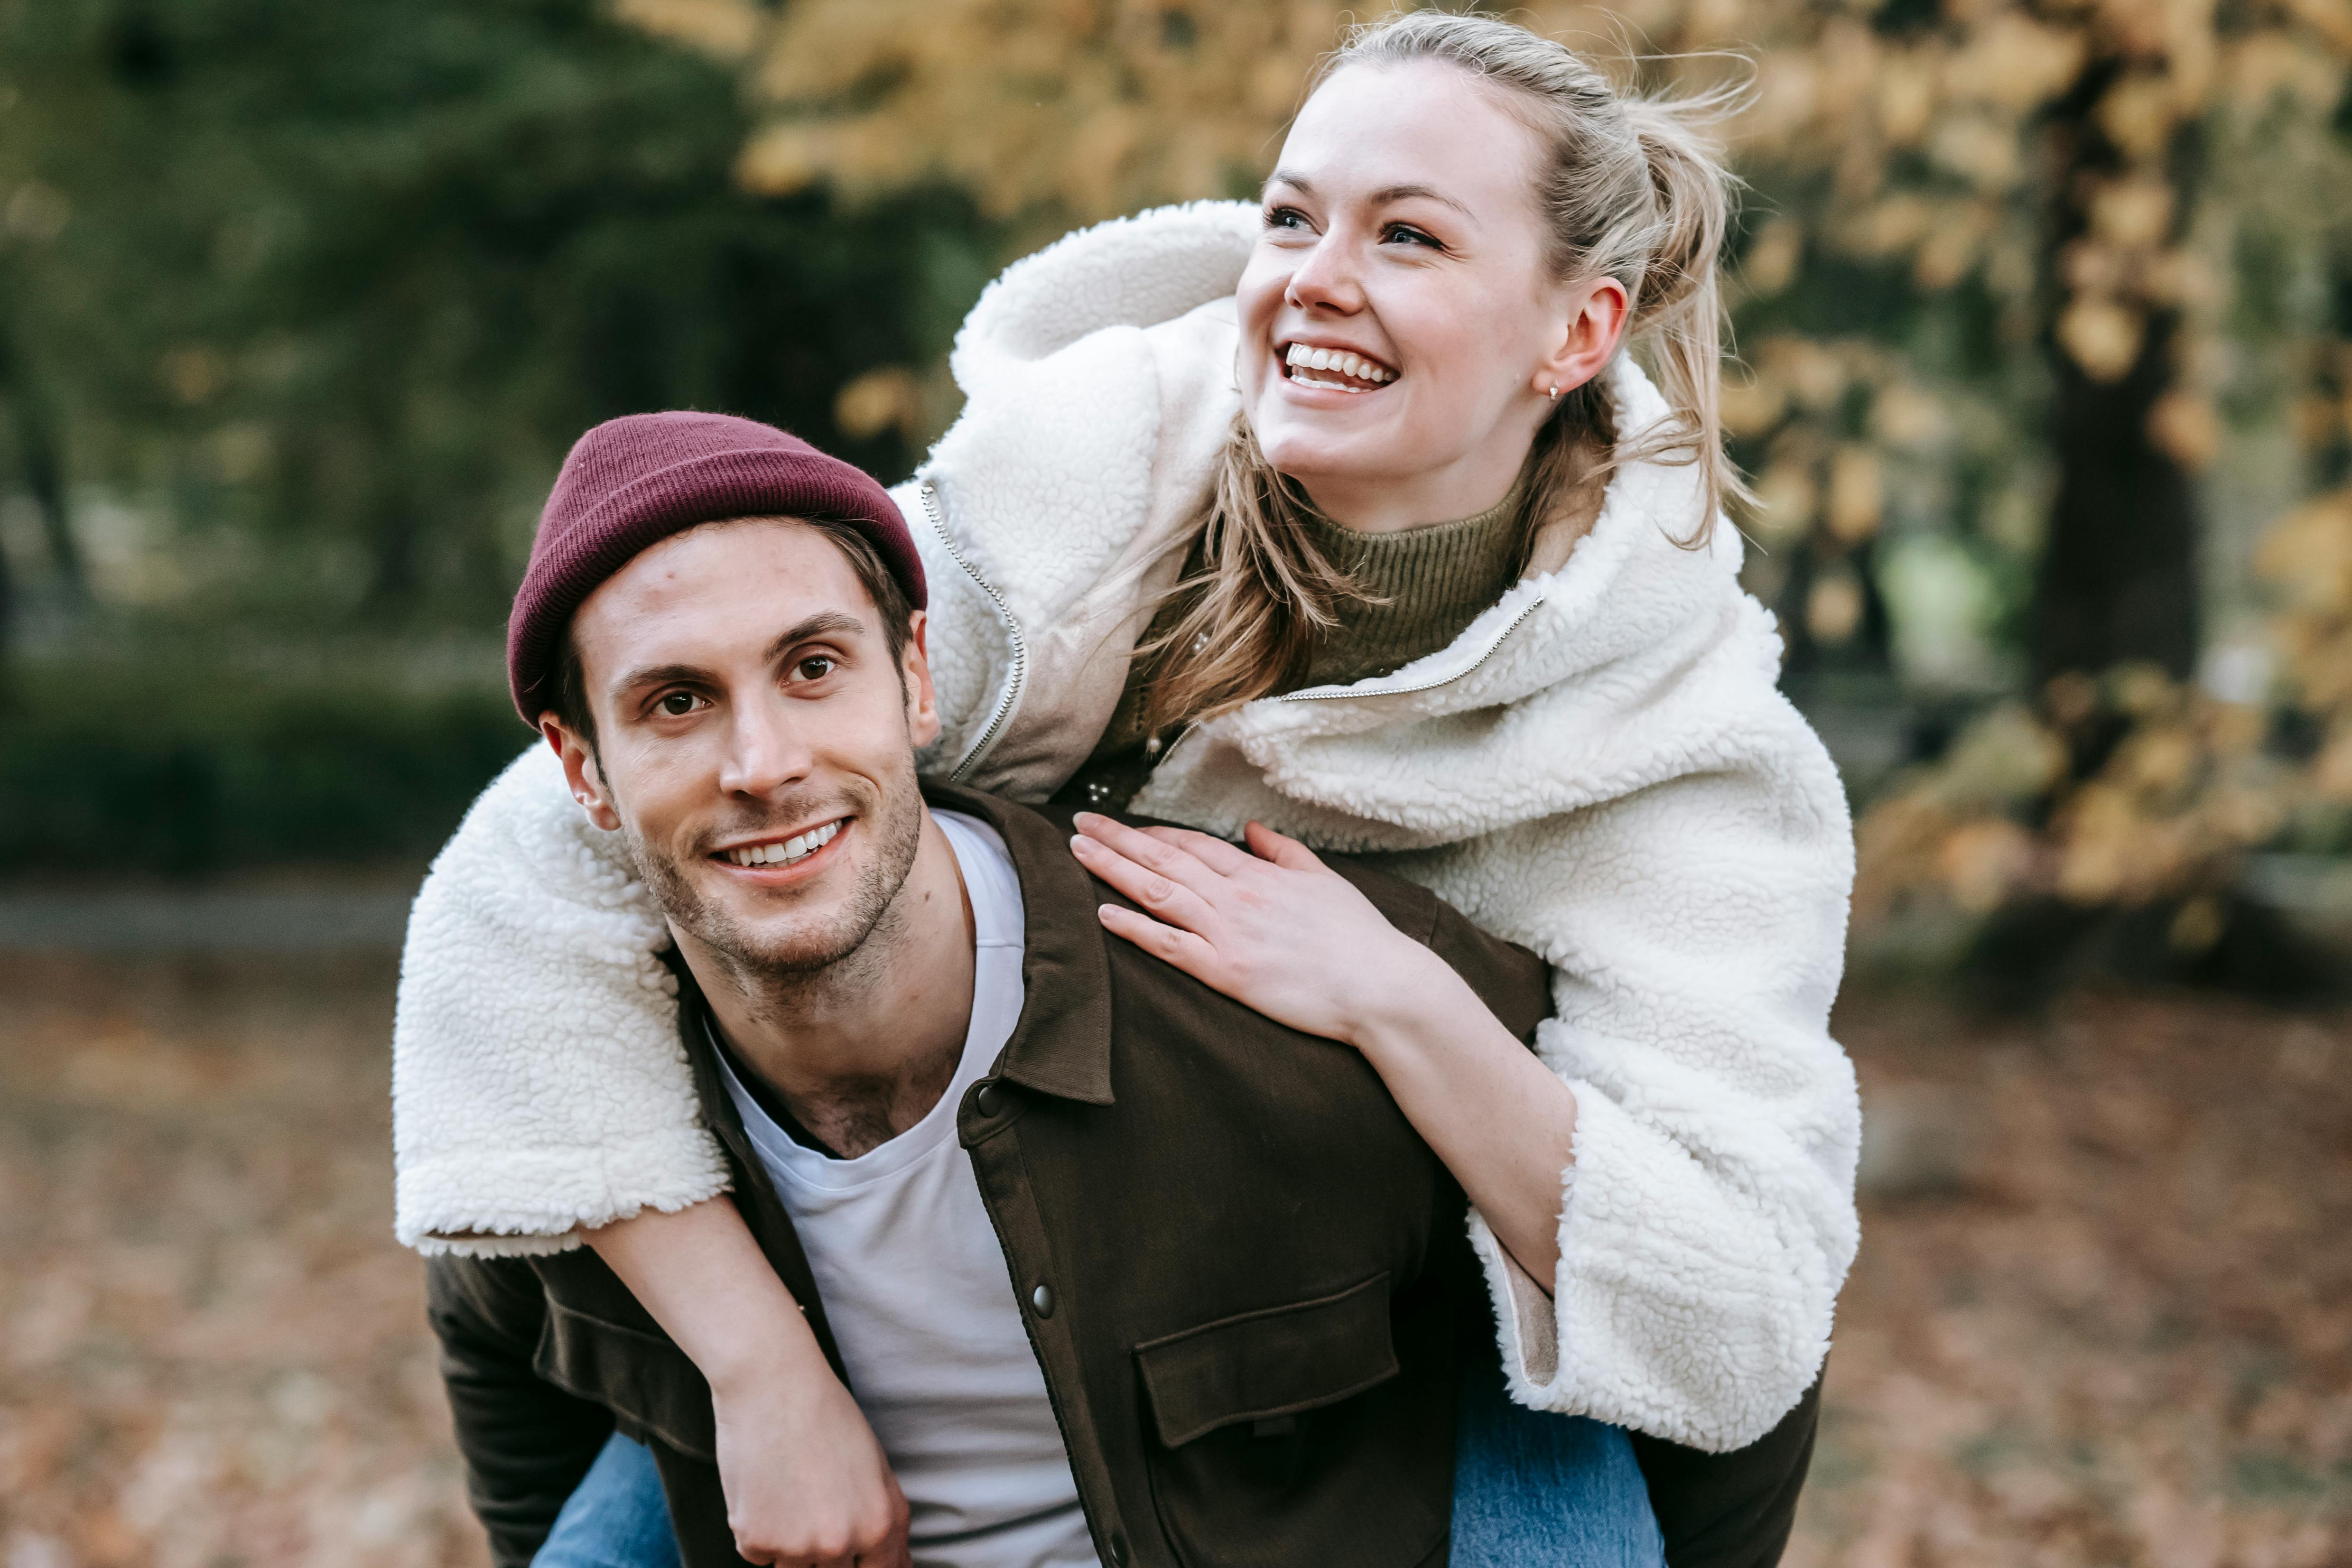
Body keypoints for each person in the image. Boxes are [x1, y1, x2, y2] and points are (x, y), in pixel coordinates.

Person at [395, 9, 1857, 1564]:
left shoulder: (1686, 755)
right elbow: (537, 864)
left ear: (1579, 331)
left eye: (1410, 235)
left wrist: (1399, 999)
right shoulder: (1080, 500)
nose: (1315, 278)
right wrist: (763, 1370)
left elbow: (1739, 1314)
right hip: (974, 1246)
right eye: (1293, 215)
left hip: (1401, 1309)